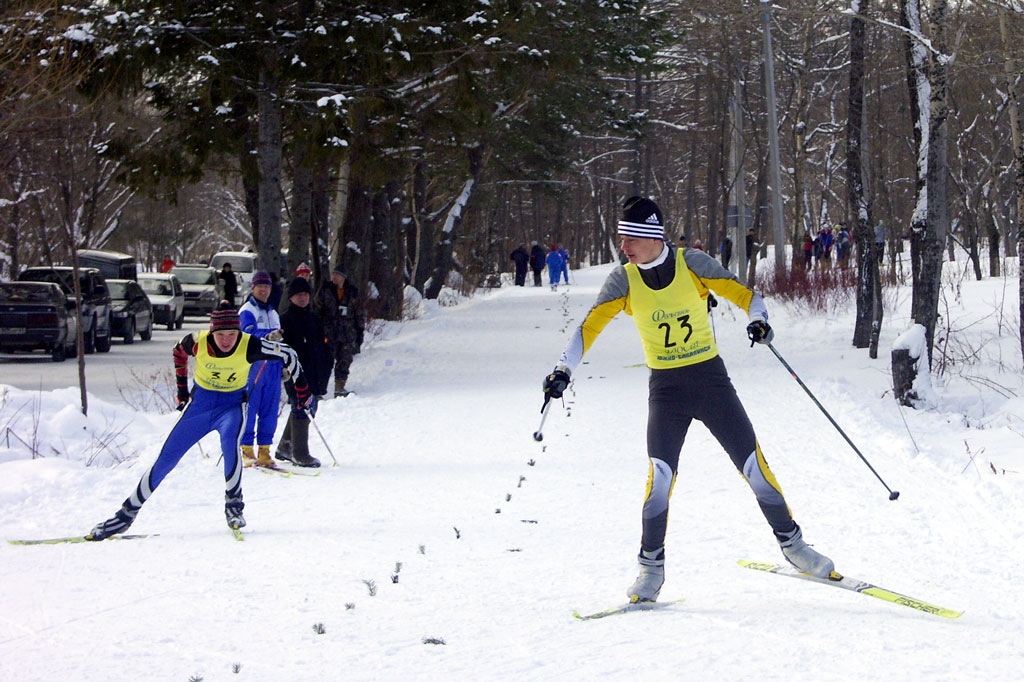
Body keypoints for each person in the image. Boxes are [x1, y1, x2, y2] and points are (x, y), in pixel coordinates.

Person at [541, 196, 834, 604]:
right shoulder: (622, 280)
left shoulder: (693, 263)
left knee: (754, 465)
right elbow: (587, 329)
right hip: (667, 391)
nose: (623, 247)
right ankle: (650, 570)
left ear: (651, 236)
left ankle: (794, 546)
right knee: (659, 478)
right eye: (621, 238)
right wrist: (562, 370)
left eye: (630, 238)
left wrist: (759, 322)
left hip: (710, 382)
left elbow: (749, 298)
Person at [86, 303, 312, 540]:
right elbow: (178, 352)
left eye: (232, 334)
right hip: (199, 408)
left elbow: (289, 354)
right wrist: (182, 390)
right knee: (166, 458)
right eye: (221, 335)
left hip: (231, 407)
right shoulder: (196, 341)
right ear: (212, 332)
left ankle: (234, 507)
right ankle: (125, 515)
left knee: (230, 446)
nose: (226, 340)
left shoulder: (250, 344)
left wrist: (302, 390)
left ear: (239, 333)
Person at [276, 276, 331, 467]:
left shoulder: (313, 318)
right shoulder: (285, 320)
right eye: (298, 295)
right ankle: (300, 453)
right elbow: (281, 349)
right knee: (300, 407)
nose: (303, 298)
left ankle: (285, 445)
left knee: (310, 407)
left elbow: (322, 345)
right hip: (295, 373)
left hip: (315, 372)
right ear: (291, 297)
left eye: (306, 294)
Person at [239, 270, 283, 468]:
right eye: (260, 286)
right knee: (250, 408)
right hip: (254, 366)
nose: (264, 290)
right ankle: (246, 449)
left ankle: (264, 450)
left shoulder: (273, 313)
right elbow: (248, 333)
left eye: (266, 287)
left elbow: (281, 342)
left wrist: (283, 365)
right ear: (253, 288)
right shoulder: (247, 310)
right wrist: (268, 335)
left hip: (272, 367)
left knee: (270, 411)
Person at [316, 265, 365, 397]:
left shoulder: (353, 292)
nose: (334, 277)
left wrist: (360, 331)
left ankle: (339, 387)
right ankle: (320, 389)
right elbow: (317, 309)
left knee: (345, 360)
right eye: (333, 274)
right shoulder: (326, 290)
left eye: (337, 275)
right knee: (326, 361)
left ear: (343, 277)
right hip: (329, 331)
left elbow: (359, 313)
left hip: (347, 333)